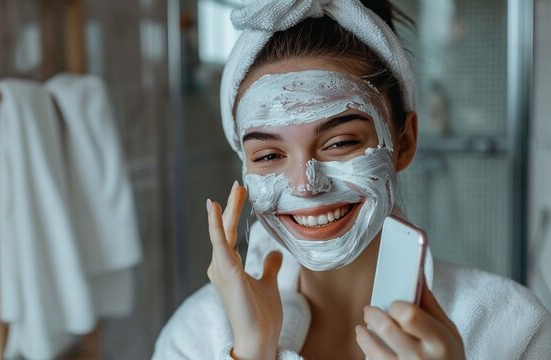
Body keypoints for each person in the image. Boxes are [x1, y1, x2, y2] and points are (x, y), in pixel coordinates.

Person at [153, 0, 551, 359]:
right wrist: (253, 352)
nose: (305, 184)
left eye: (340, 143)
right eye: (269, 155)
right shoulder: (196, 336)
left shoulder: (511, 326)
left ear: (404, 142)